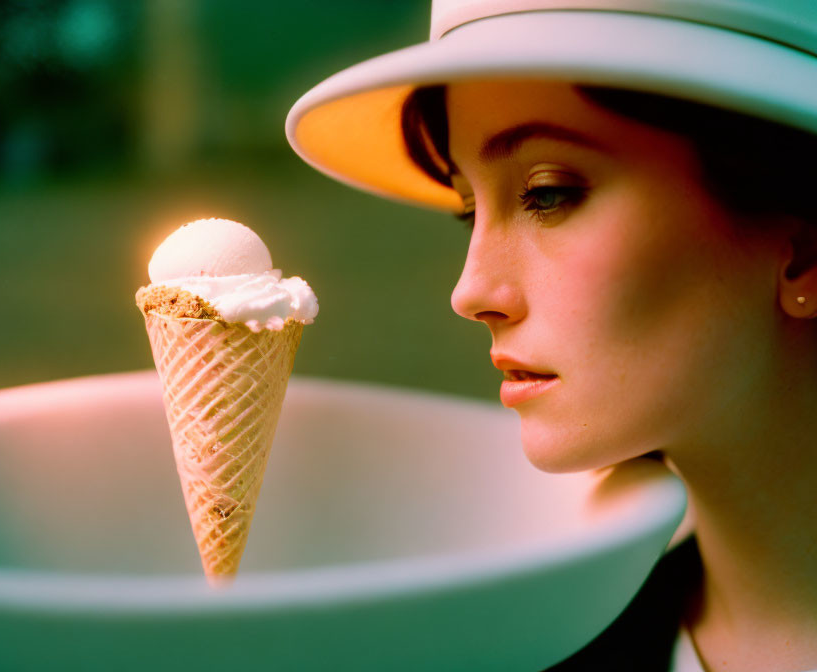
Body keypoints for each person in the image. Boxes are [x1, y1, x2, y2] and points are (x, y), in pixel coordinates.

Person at [286, 2, 817, 670]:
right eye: (470, 210)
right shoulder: (542, 650)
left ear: (802, 251)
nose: (471, 292)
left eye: (548, 193)